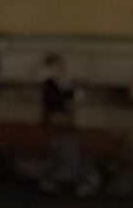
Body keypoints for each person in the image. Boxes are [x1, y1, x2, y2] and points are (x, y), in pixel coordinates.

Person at [40, 54, 97, 194]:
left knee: (60, 151)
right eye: (58, 65)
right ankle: (71, 179)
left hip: (60, 122)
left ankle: (52, 178)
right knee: (64, 149)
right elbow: (59, 99)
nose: (62, 68)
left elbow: (67, 97)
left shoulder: (58, 84)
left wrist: (74, 91)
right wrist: (73, 91)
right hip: (57, 122)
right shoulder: (49, 84)